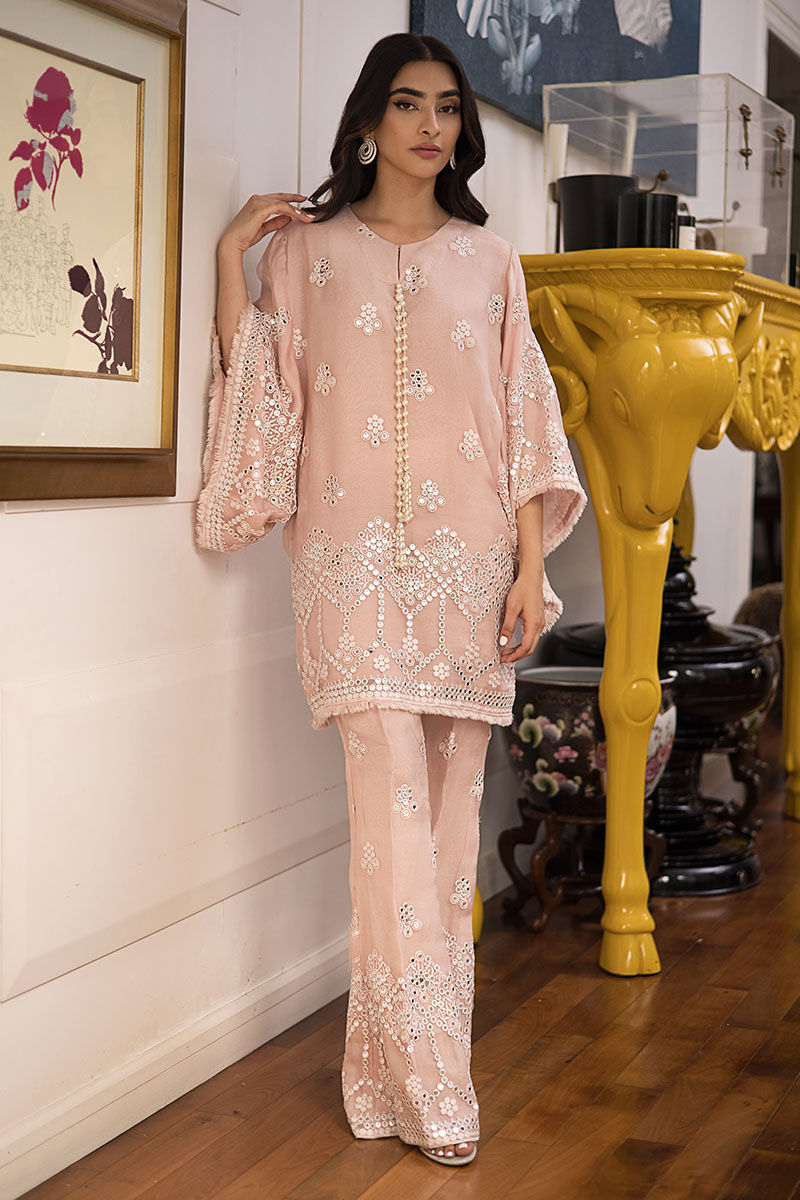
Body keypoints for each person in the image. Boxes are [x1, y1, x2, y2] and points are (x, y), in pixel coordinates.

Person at [197, 31, 586, 1168]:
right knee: (389, 823)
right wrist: (229, 259)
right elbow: (265, 399)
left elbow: (523, 425)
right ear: (370, 120)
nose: (430, 125)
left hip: (472, 573)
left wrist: (530, 570)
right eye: (408, 104)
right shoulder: (304, 255)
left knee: (446, 825)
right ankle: (437, 1087)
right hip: (349, 570)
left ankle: (381, 1075)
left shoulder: (492, 262)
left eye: (447, 108)